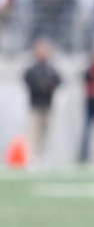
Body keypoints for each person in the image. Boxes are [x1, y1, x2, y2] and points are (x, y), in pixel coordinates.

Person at [22, 38, 62, 166]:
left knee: (46, 133)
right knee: (34, 132)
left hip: (47, 105)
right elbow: (29, 80)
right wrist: (42, 86)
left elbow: (58, 80)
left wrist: (48, 86)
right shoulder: (33, 69)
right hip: (36, 104)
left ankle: (42, 155)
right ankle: (32, 156)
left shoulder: (50, 69)